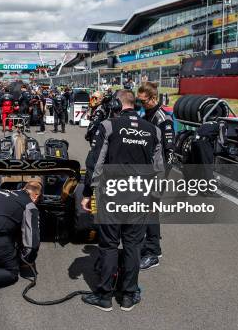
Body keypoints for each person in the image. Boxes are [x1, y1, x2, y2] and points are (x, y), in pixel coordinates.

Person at [80, 89, 163, 312]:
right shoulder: (153, 130)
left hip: (112, 194)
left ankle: (105, 296)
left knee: (108, 245)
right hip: (139, 196)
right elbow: (159, 169)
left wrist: (87, 193)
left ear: (117, 104)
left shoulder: (108, 125)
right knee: (133, 246)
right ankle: (128, 296)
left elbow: (95, 163)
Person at [136, 82, 175, 270]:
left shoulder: (162, 119)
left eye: (144, 101)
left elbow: (170, 153)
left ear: (153, 98)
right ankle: (150, 244)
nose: (141, 104)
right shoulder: (147, 114)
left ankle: (153, 253)